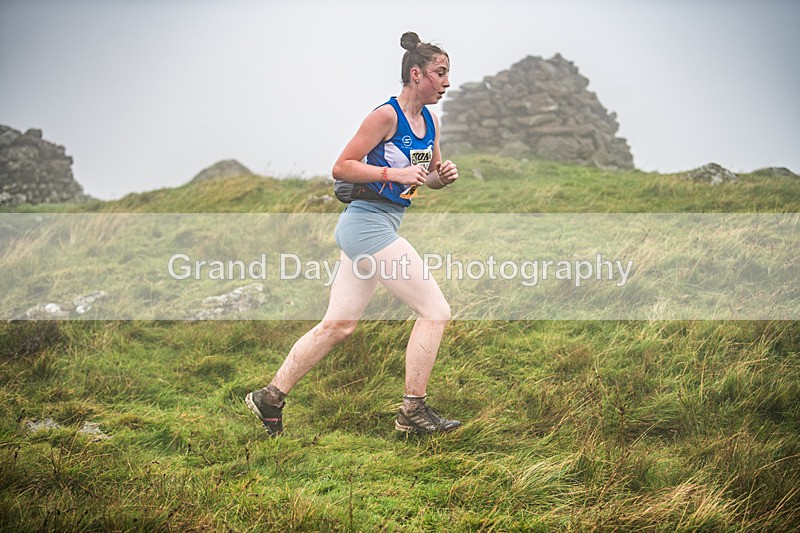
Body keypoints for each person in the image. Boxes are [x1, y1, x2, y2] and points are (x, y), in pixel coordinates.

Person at [246, 31, 461, 436]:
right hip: (365, 224)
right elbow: (342, 166)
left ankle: (269, 398)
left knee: (339, 326)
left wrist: (440, 177)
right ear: (416, 74)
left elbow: (425, 179)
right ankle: (412, 412)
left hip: (378, 224)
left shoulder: (429, 122)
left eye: (448, 74)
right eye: (440, 73)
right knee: (436, 311)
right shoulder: (385, 116)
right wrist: (392, 172)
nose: (447, 82)